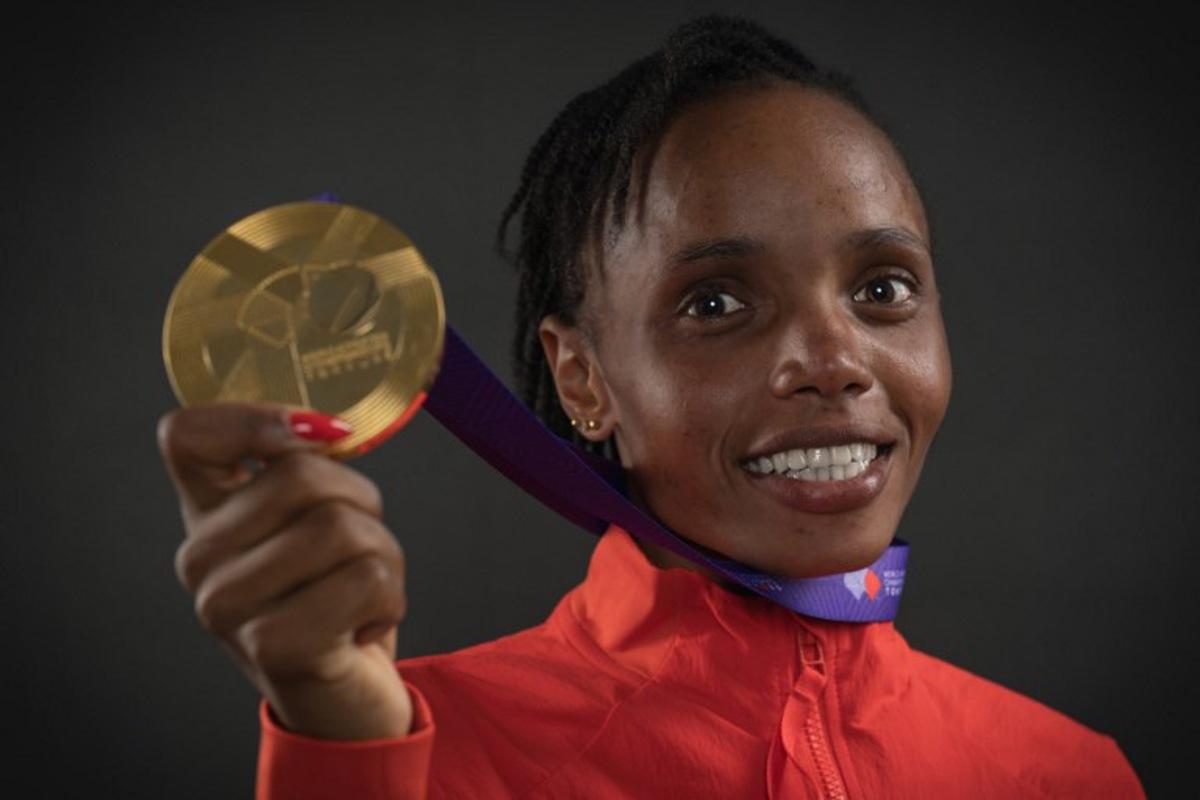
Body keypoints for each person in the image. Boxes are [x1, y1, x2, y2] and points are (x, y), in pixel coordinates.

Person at [157, 15, 1146, 799]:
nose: (837, 358)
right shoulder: (396, 748)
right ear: (583, 379)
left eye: (885, 288)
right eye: (716, 303)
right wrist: (347, 755)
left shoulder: (1070, 772)